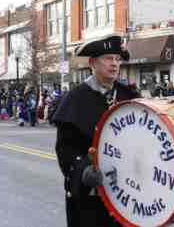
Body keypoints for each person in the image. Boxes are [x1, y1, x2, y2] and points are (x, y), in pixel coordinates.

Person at [53, 35, 140, 227]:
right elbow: (65, 149)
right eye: (108, 58)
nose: (115, 64)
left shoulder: (129, 95)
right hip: (91, 194)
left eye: (117, 59)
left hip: (125, 191)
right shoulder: (75, 98)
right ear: (93, 63)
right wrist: (83, 170)